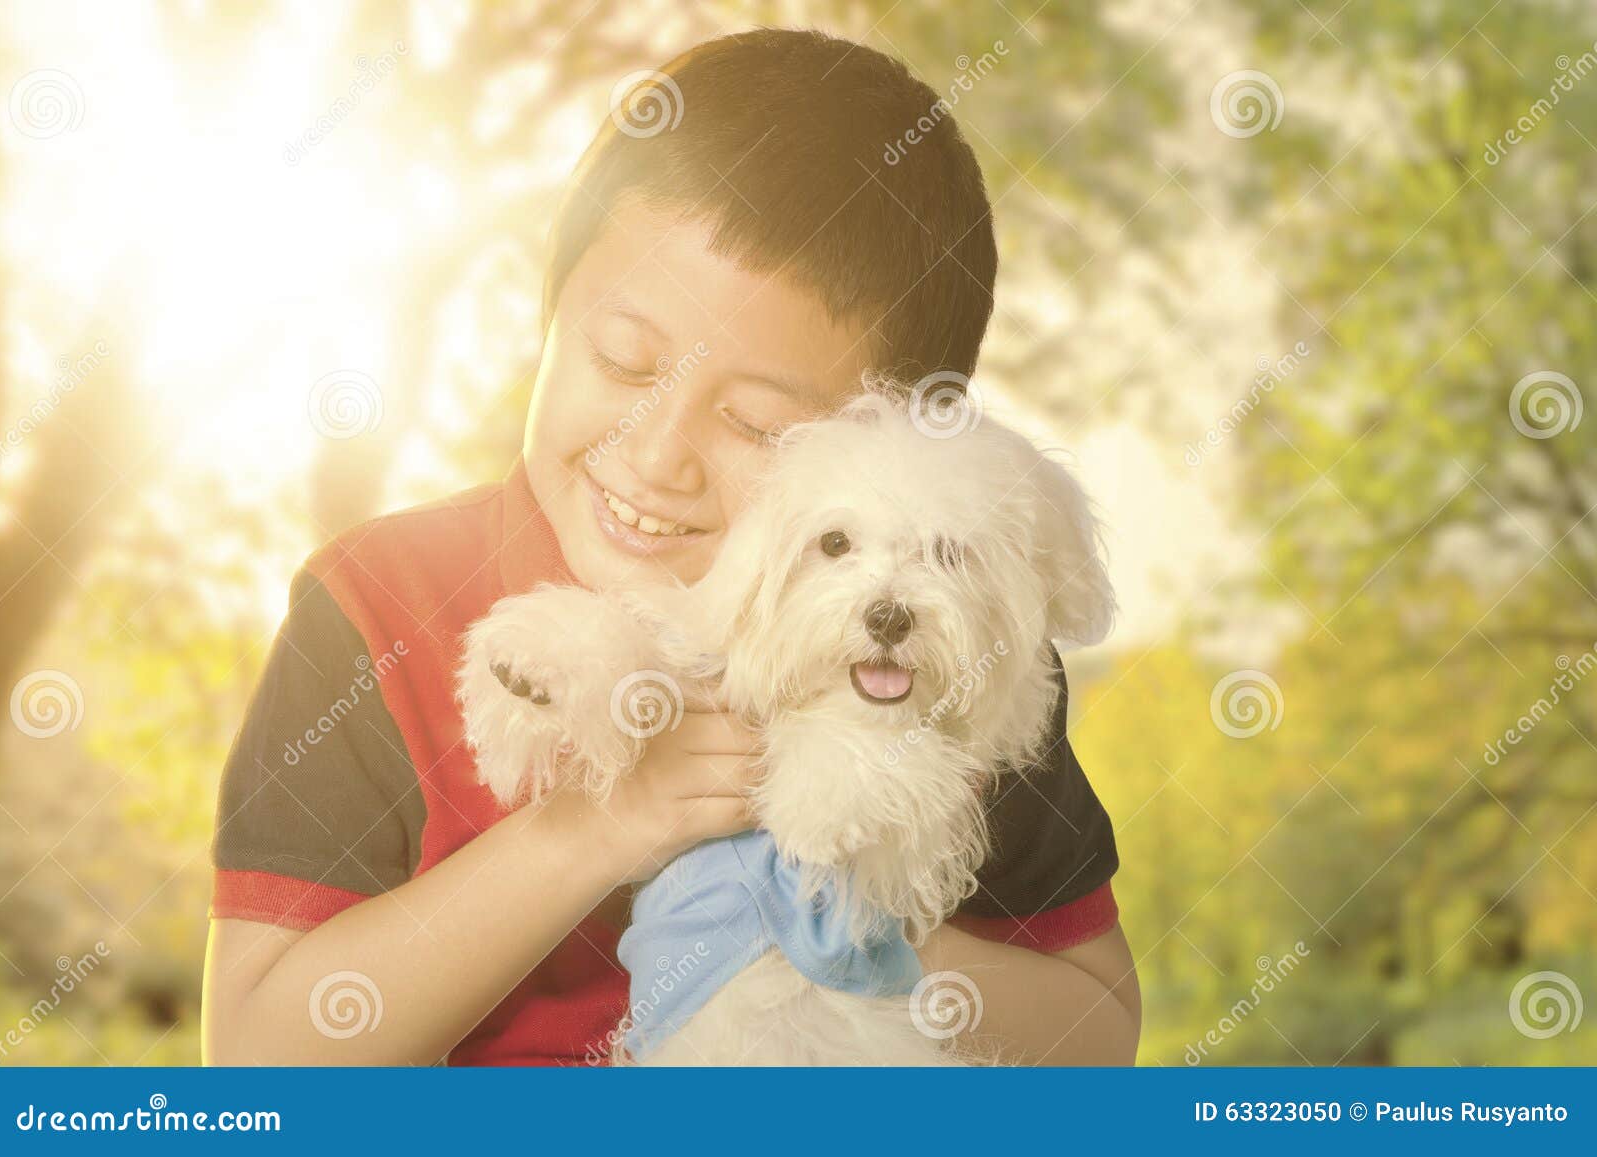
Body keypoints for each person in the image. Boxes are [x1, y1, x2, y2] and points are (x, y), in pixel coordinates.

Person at [200, 27, 1139, 1066]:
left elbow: (1097, 1033)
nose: (654, 457)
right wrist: (597, 830)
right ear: (545, 315)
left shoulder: (945, 649)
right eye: (621, 357)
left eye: (755, 425)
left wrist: (855, 921)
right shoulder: (379, 603)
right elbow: (260, 1060)